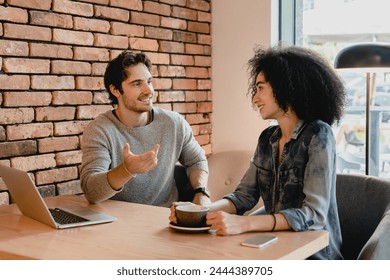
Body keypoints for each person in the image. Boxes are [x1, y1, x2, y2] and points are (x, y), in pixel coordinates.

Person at [170, 44, 346, 260]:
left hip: (314, 254)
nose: (254, 98)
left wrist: (246, 223)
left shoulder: (319, 134)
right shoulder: (267, 138)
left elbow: (314, 215)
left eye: (260, 88)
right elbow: (243, 196)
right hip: (274, 246)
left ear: (285, 86)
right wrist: (197, 212)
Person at [81, 50, 210, 207]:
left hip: (166, 219)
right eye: (137, 84)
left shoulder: (174, 123)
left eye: (149, 81)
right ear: (115, 90)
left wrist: (201, 192)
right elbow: (91, 192)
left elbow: (196, 160)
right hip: (117, 223)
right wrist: (127, 170)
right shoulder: (99, 130)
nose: (149, 90)